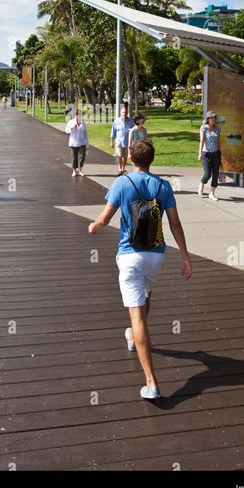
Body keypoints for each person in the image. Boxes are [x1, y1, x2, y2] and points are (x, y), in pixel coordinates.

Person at [88, 139, 192, 400]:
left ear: (132, 159)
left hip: (130, 255)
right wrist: (185, 257)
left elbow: (104, 217)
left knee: (136, 318)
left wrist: (93, 227)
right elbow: (175, 224)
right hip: (156, 255)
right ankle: (135, 337)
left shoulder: (123, 182)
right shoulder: (163, 185)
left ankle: (151, 383)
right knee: (145, 295)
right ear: (151, 160)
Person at [198, 110, 222, 201]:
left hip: (216, 153)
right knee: (207, 174)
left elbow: (219, 141)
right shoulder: (203, 128)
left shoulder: (218, 129)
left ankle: (211, 193)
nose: (213, 119)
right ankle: (202, 183)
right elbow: (202, 141)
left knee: (215, 174)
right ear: (208, 119)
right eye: (211, 117)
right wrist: (200, 153)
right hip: (206, 153)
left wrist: (220, 152)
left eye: (214, 117)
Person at [110, 106, 134, 176]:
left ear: (127, 113)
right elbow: (113, 132)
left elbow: (133, 131)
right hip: (119, 142)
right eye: (123, 112)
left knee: (125, 157)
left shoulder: (131, 121)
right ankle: (120, 169)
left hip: (127, 142)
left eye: (126, 112)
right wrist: (111, 141)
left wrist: (131, 131)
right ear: (121, 113)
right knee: (119, 156)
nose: (124, 114)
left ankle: (123, 168)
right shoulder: (116, 121)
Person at [65, 109, 89, 177]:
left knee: (82, 156)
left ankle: (80, 170)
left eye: (80, 114)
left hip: (82, 142)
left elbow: (86, 134)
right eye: (78, 114)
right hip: (73, 142)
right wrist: (72, 128)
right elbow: (66, 131)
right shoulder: (71, 122)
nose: (79, 115)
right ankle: (74, 171)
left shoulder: (83, 123)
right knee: (74, 157)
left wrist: (87, 143)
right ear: (75, 115)